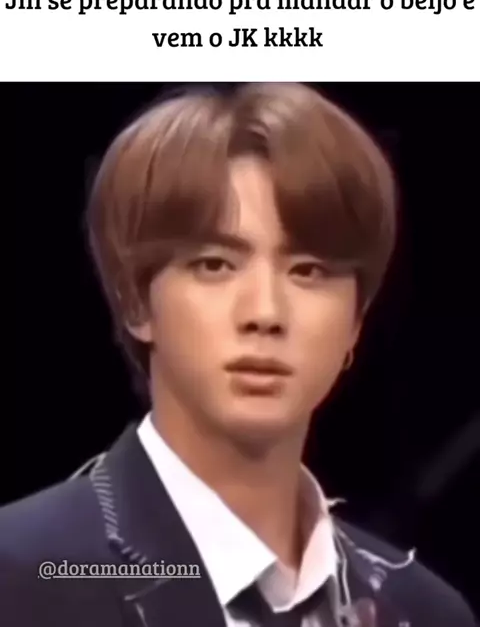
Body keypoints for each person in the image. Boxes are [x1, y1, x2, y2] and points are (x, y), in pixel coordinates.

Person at [1, 82, 477, 627]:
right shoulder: (26, 576)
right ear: (136, 302)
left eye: (308, 271)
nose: (265, 313)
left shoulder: (426, 613)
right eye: (215, 265)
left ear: (356, 322)